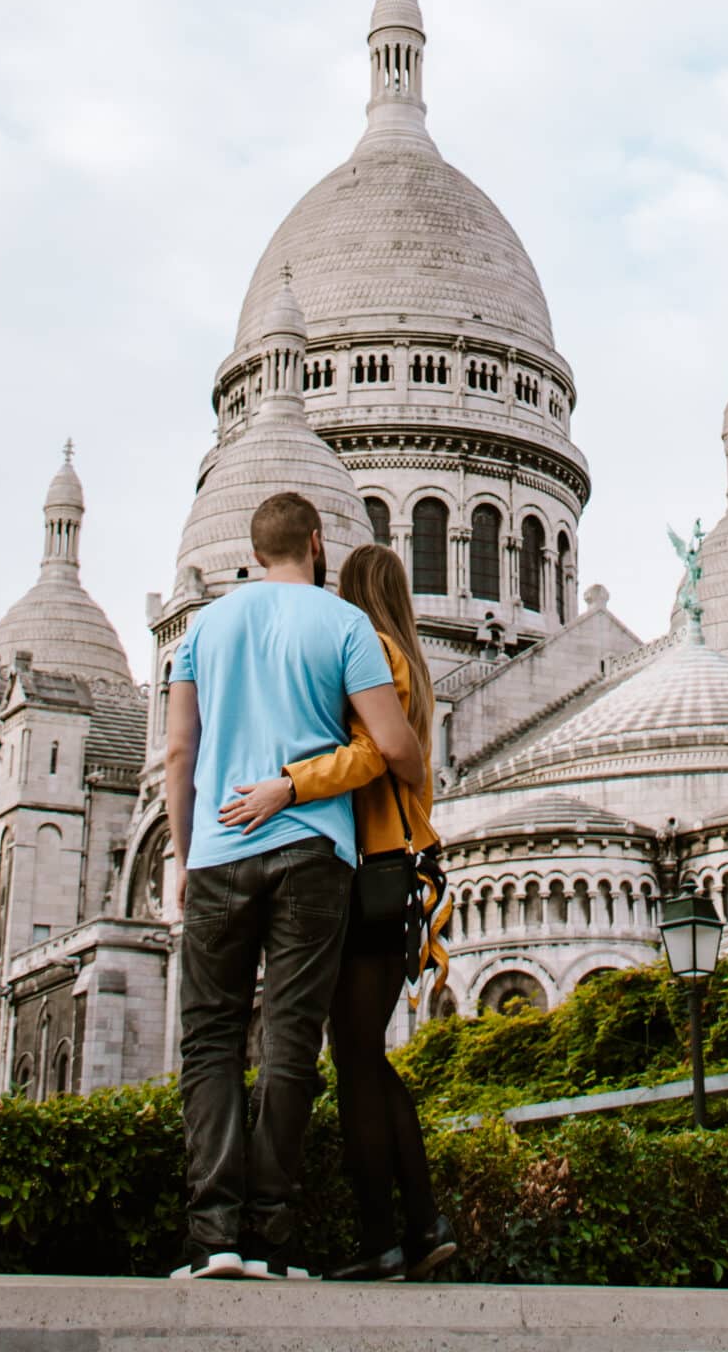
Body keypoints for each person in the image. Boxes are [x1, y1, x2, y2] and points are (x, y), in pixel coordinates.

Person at [163, 491, 423, 1283]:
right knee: (289, 1043)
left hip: (216, 850)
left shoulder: (203, 625)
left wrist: (182, 854)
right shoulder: (345, 625)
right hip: (313, 853)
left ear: (251, 549)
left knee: (208, 1041)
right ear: (315, 544)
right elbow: (392, 745)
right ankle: (272, 1240)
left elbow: (179, 751)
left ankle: (213, 1239)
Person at [220, 540, 455, 1282]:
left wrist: (287, 785)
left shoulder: (371, 650)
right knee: (363, 1058)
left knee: (353, 1061)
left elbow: (371, 754)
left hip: (364, 880)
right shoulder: (412, 661)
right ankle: (420, 1228)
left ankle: (387, 1237)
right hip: (393, 880)